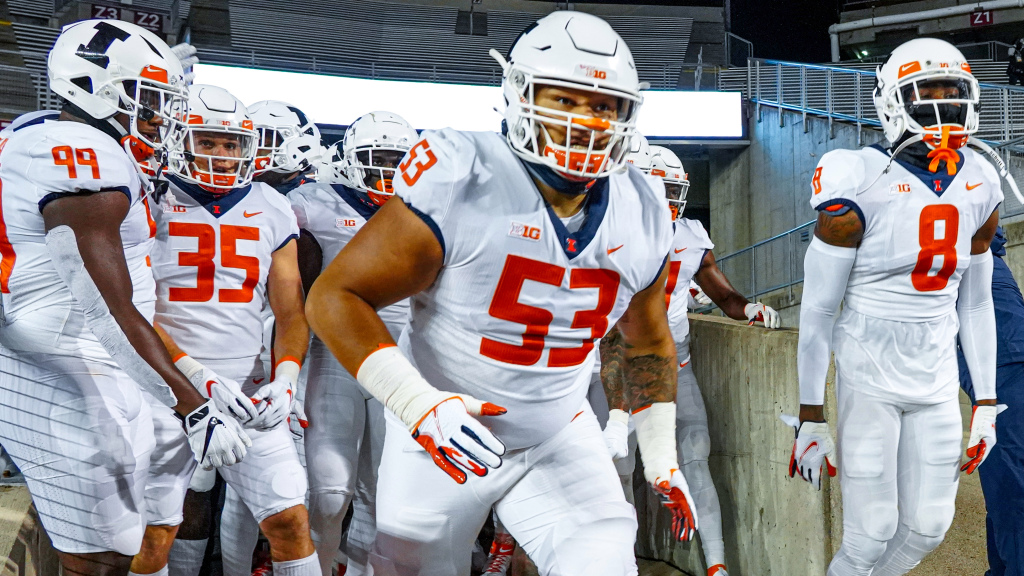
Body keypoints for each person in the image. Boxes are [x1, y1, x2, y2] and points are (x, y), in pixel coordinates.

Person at [306, 11, 698, 575]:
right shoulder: (463, 175)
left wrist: (661, 458)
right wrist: (419, 405)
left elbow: (647, 344)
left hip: (557, 433)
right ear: (519, 93)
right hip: (438, 434)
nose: (587, 120)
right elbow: (334, 296)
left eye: (604, 105)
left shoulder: (643, 207)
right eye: (564, 99)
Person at [0, 20, 250, 576]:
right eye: (150, 98)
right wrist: (192, 405)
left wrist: (193, 376)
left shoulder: (55, 138)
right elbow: (101, 303)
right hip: (63, 367)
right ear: (96, 87)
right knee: (100, 558)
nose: (162, 116)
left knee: (121, 543)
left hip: (90, 359)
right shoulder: (76, 150)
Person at [790, 38, 1004, 576]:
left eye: (951, 92)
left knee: (930, 528)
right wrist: (810, 414)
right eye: (924, 92)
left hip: (934, 374)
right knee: (870, 534)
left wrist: (985, 399)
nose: (940, 105)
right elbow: (817, 310)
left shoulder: (982, 178)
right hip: (870, 371)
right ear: (892, 100)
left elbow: (976, 305)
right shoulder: (858, 175)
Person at [149, 85, 318, 576]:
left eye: (232, 144)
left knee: (289, 520)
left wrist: (285, 378)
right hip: (164, 387)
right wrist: (194, 375)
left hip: (245, 393)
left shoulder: (269, 202)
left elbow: (290, 310)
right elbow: (129, 306)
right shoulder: (149, 196)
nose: (222, 156)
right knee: (155, 530)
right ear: (180, 140)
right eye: (209, 142)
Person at [291, 110, 418, 576]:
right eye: (377, 158)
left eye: (396, 160)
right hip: (334, 354)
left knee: (386, 492)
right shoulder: (314, 204)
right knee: (328, 491)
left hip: (404, 361)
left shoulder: (427, 209)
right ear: (348, 160)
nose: (387, 170)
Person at [957, 226, 1024, 576]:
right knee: (1007, 489)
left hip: (1005, 373)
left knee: (1011, 492)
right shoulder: (990, 254)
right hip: (1004, 370)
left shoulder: (961, 255)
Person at [249, 100, 324, 195]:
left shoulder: (316, 200)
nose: (248, 152)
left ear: (296, 145)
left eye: (262, 143)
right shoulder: (235, 191)